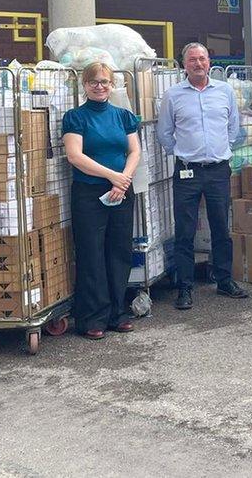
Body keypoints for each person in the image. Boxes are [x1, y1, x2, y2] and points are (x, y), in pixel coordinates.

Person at [157, 42, 246, 310]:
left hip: (218, 169)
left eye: (203, 59)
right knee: (184, 231)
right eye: (193, 59)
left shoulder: (224, 91)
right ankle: (185, 287)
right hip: (188, 171)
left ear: (210, 62)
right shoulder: (173, 95)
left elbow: (234, 126)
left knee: (221, 227)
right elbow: (164, 133)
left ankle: (224, 280)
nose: (198, 63)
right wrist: (182, 153)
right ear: (184, 64)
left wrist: (224, 149)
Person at [62, 61, 140, 339]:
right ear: (84, 85)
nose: (99, 86)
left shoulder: (123, 116)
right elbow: (75, 156)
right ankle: (92, 318)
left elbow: (134, 152)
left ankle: (118, 313)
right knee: (91, 253)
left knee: (118, 252)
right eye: (93, 81)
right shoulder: (75, 117)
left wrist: (124, 180)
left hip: (122, 191)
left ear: (112, 85)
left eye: (104, 81)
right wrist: (113, 177)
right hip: (89, 193)